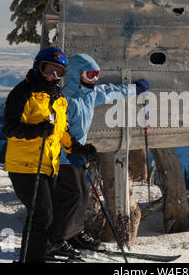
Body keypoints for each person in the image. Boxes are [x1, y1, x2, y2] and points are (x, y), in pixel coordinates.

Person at [47, 53, 150, 258]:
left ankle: (73, 234)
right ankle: (55, 241)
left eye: (96, 75)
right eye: (89, 74)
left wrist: (134, 89)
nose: (93, 79)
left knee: (83, 195)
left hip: (77, 155)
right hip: (62, 157)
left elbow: (111, 91)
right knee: (72, 196)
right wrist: (70, 151)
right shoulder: (65, 98)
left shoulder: (90, 94)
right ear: (77, 74)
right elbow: (56, 130)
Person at [3, 47, 95, 263]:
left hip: (47, 166)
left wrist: (78, 149)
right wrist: (36, 130)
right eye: (48, 70)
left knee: (43, 215)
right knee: (42, 215)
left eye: (58, 72)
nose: (53, 76)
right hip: (25, 166)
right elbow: (10, 127)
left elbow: (61, 131)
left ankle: (32, 256)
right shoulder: (23, 93)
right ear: (38, 66)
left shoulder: (57, 97)